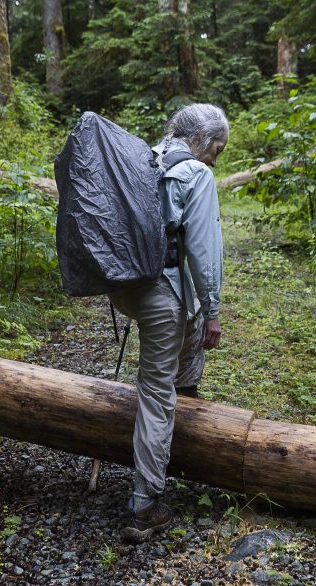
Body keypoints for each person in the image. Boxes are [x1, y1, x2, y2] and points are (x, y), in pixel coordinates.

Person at [110, 103, 229, 543]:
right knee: (157, 392)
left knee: (186, 341)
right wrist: (214, 310)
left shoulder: (140, 159)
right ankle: (145, 505)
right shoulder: (196, 174)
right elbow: (202, 250)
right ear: (201, 140)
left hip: (126, 288)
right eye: (217, 149)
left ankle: (188, 414)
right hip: (163, 292)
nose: (216, 158)